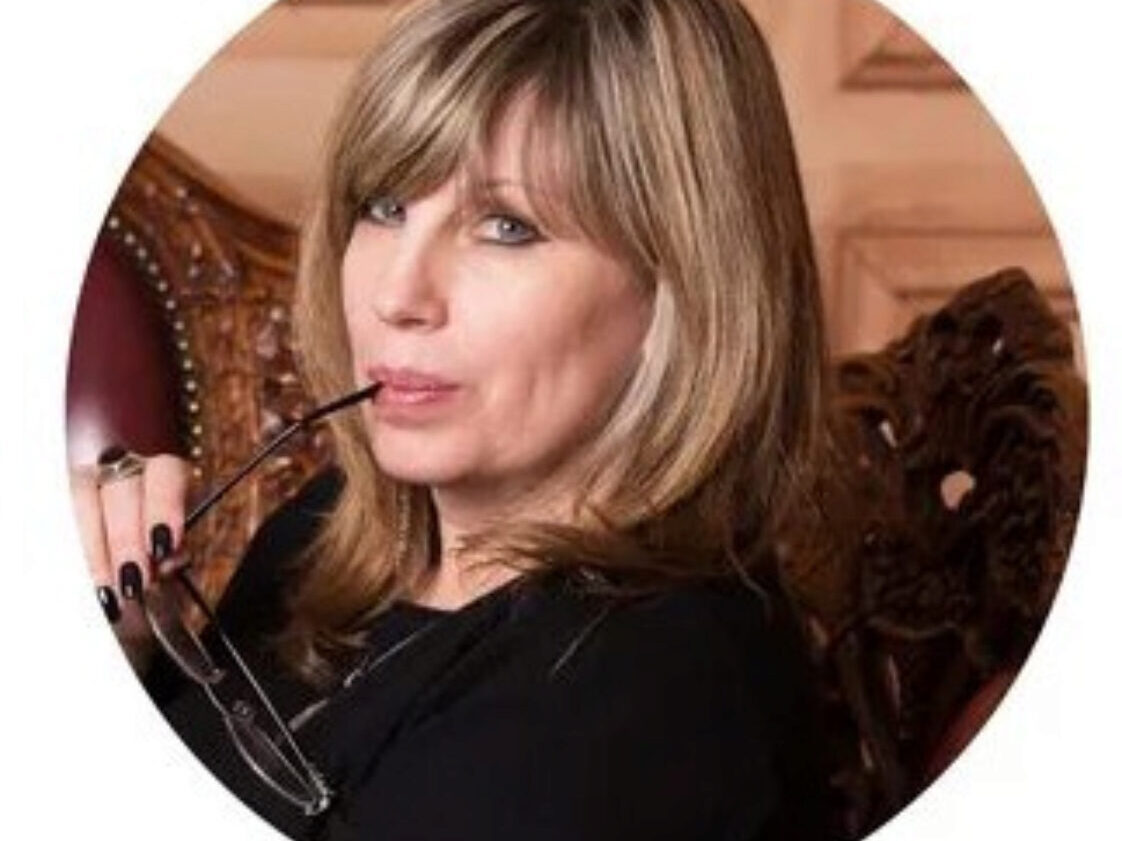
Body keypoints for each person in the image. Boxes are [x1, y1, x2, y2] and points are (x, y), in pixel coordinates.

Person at [71, 0, 834, 838]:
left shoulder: (642, 706)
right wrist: (121, 646)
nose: (397, 295)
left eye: (507, 228)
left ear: (684, 288)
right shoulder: (328, 529)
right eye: (384, 206)